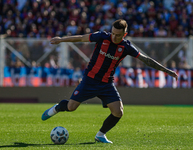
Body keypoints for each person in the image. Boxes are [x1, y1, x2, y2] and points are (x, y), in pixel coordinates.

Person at [41, 19, 178, 143]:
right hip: (89, 80)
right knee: (71, 107)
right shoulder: (102, 36)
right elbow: (81, 38)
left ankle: (100, 135)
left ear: (124, 34)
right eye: (113, 33)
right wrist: (61, 40)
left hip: (107, 83)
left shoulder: (126, 47)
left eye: (118, 35)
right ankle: (58, 107)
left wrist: (167, 71)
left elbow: (146, 60)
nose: (114, 36)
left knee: (118, 112)